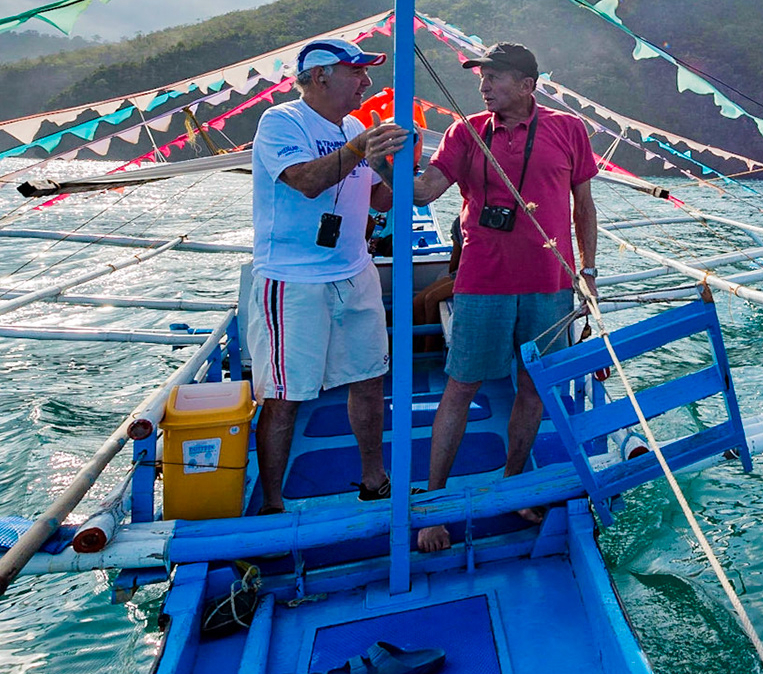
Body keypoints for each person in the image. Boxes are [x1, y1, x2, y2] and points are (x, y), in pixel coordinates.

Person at [411, 42, 598, 551]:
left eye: (494, 76)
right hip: (483, 280)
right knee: (461, 386)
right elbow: (425, 192)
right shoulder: (465, 131)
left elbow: (583, 204)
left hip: (550, 282)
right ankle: (433, 505)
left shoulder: (568, 129)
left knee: (534, 387)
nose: (483, 84)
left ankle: (515, 481)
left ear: (527, 85)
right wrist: (391, 167)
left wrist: (589, 270)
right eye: (481, 75)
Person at [247, 36, 408, 514]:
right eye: (356, 71)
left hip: (354, 271)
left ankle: (374, 479)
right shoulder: (281, 121)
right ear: (319, 76)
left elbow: (381, 200)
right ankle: (273, 502)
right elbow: (306, 181)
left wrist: (398, 168)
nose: (367, 81)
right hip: (293, 281)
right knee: (284, 392)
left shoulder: (357, 126)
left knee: (369, 375)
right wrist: (361, 147)